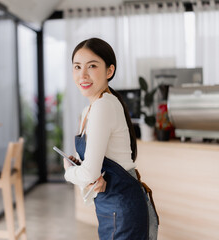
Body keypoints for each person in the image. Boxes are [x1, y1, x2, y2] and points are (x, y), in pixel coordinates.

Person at [63, 38, 159, 239]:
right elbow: (94, 175)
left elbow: (89, 174)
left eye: (92, 66)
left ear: (109, 71)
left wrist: (69, 172)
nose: (83, 74)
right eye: (77, 67)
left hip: (123, 209)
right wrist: (85, 172)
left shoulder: (103, 106)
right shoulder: (90, 109)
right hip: (113, 206)